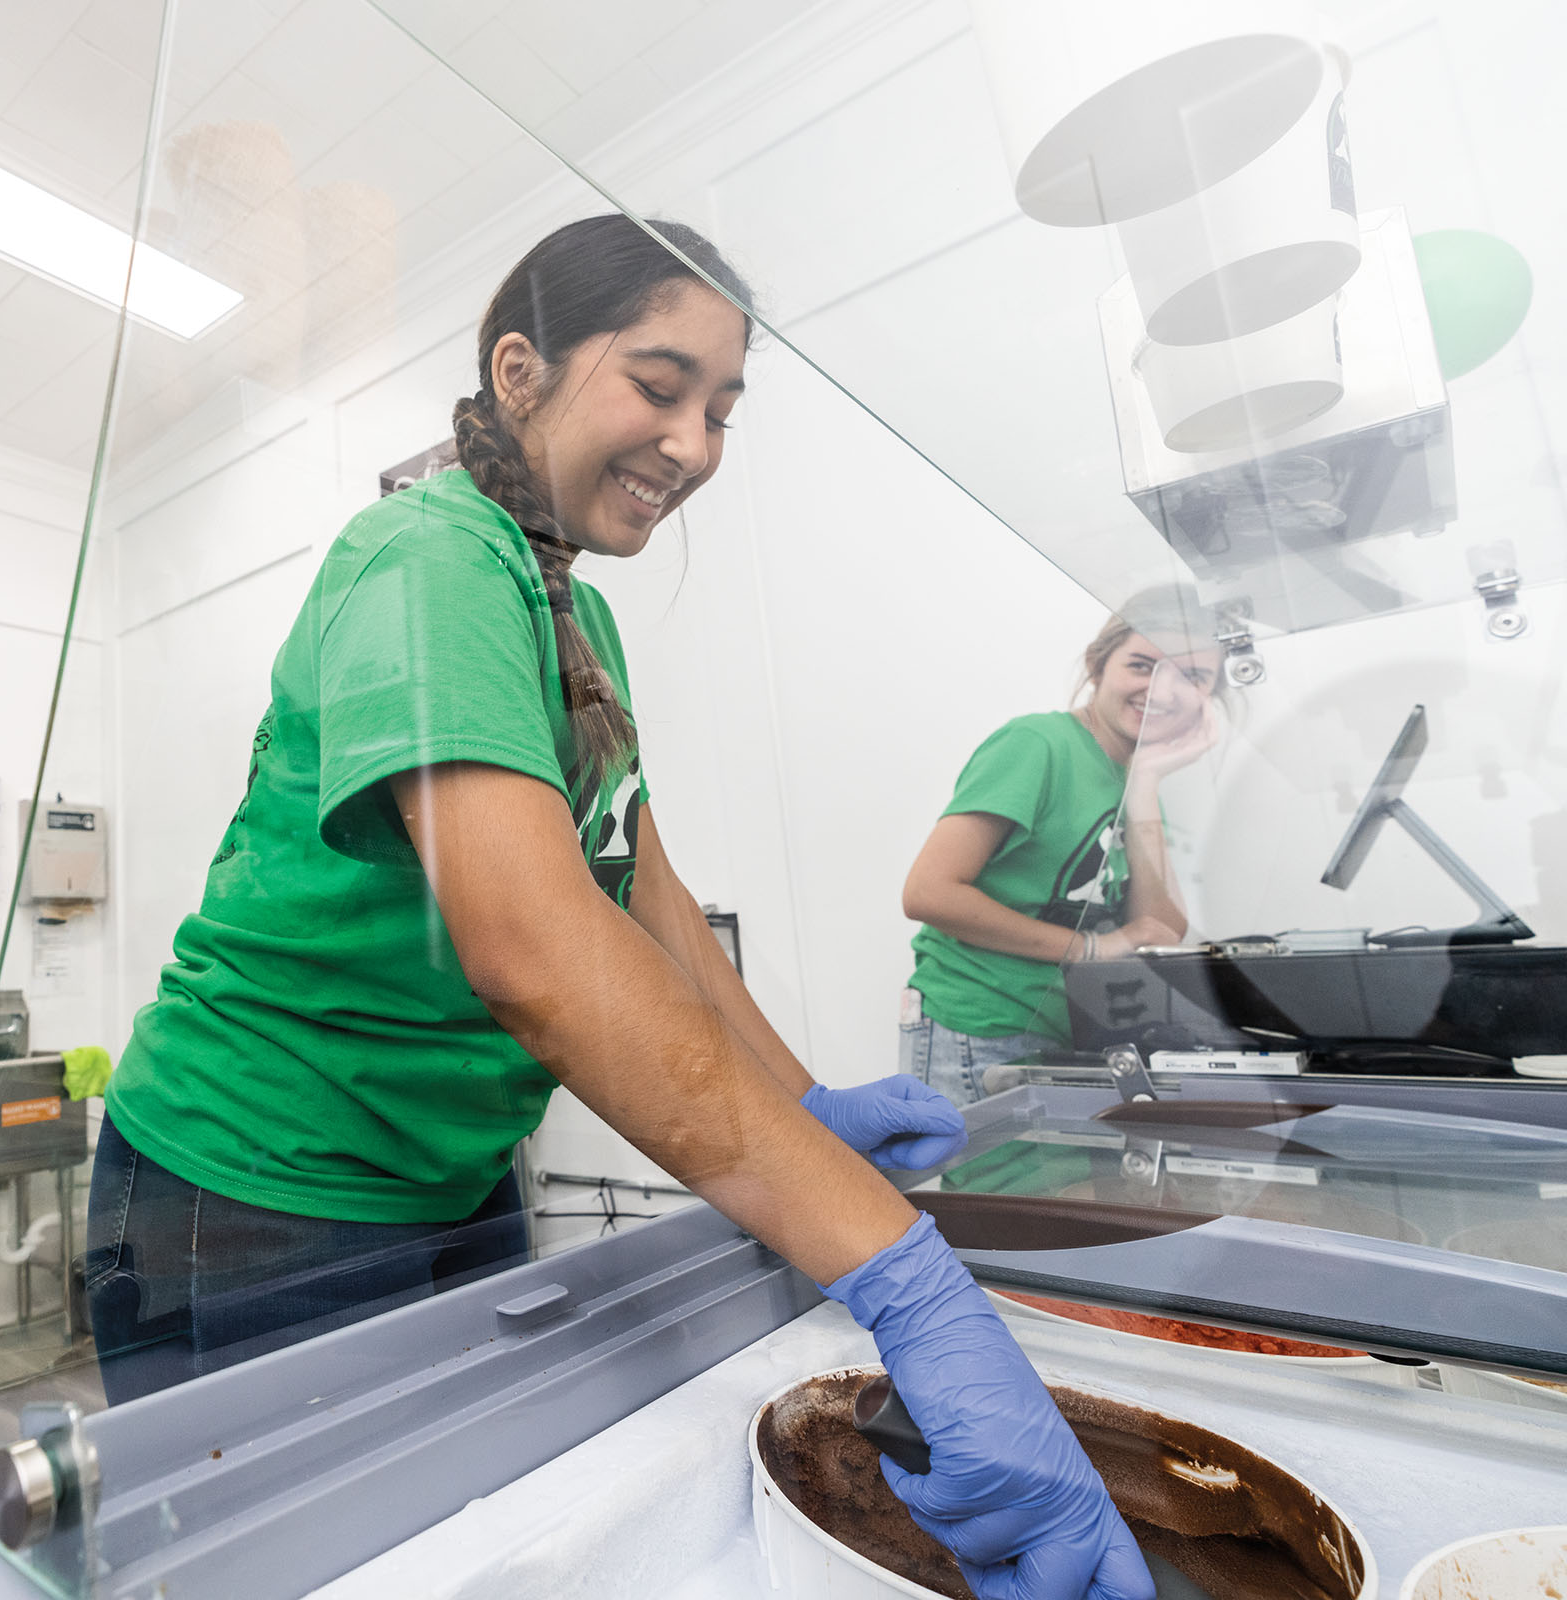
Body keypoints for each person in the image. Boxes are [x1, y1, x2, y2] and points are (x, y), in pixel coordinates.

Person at [89, 214, 1153, 1600]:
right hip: (252, 1193)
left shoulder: (576, 622)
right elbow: (538, 953)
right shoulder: (427, 561)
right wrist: (902, 1272)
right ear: (519, 370)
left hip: (454, 1179)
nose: (696, 446)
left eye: (721, 409)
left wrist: (803, 1108)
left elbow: (643, 892)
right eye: (660, 388)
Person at [900, 591, 1226, 1104]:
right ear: (1099, 664)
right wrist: (1089, 949)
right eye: (1142, 665)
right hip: (982, 1027)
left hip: (1070, 1032)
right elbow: (928, 893)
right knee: (994, 1187)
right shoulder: (1038, 744)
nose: (1161, 690)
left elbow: (1160, 930)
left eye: (1192, 677)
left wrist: (1145, 784)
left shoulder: (1134, 778)